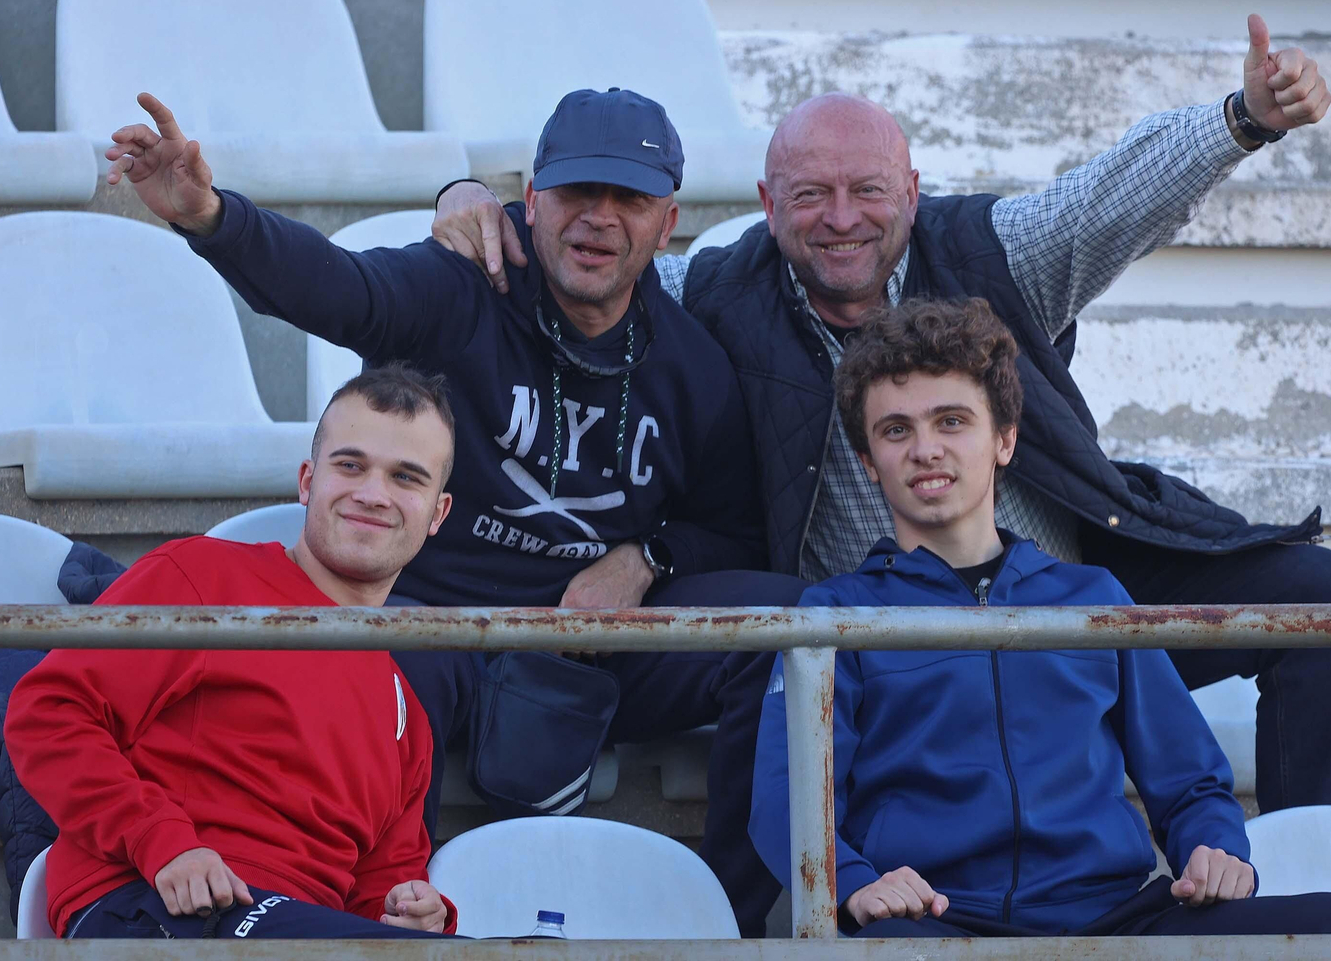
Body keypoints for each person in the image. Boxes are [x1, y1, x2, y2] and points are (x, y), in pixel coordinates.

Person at [432, 13, 1331, 816]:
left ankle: (1312, 861)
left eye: (868, 190)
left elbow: (1110, 198)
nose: (841, 217)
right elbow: (589, 263)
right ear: (767, 205)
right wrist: (474, 204)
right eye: (810, 196)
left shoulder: (997, 254)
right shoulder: (711, 293)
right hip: (883, 644)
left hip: (1068, 610)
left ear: (911, 192)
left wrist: (1242, 121)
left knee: (1326, 599)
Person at [102, 86, 805, 934]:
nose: (600, 220)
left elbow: (729, 533)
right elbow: (337, 288)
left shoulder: (692, 365)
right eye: (579, 192)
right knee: (377, 661)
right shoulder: (462, 284)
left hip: (596, 639)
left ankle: (727, 922)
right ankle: (381, 921)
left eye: (631, 199)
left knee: (793, 628)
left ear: (669, 221)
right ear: (533, 200)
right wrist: (214, 217)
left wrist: (646, 558)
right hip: (435, 625)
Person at [749, 297, 1331, 939]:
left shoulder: (1091, 599)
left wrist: (1213, 848)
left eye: (952, 421)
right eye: (896, 430)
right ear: (867, 461)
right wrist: (855, 883)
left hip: (1113, 920)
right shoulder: (836, 616)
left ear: (1004, 439)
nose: (926, 450)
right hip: (937, 921)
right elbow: (784, 794)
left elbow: (1189, 778)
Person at [5, 365, 461, 940]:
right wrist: (162, 843)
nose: (372, 494)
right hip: (157, 905)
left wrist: (418, 914)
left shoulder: (407, 714)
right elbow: (47, 713)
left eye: (405, 478)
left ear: (437, 513)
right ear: (306, 480)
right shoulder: (203, 578)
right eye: (350, 465)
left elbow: (381, 890)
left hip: (296, 930)